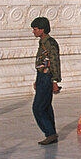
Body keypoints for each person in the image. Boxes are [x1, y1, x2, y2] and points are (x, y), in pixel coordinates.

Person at [30, 16, 61, 145]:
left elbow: (54, 63)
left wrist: (55, 81)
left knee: (38, 107)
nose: (33, 32)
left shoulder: (50, 43)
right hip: (41, 77)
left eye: (35, 29)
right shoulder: (42, 42)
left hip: (47, 78)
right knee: (45, 107)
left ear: (42, 29)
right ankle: (51, 133)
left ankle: (50, 133)